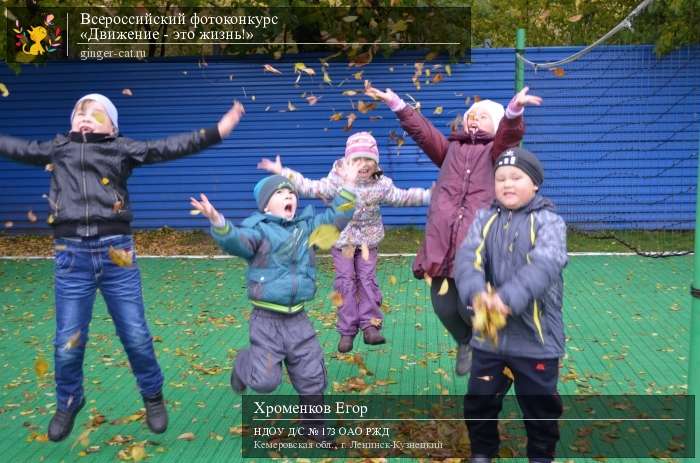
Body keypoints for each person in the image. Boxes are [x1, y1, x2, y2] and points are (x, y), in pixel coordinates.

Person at [0, 93, 245, 441]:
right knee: (66, 342)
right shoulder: (58, 149)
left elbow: (168, 147)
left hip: (117, 253)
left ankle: (153, 395)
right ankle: (69, 399)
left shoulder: (120, 149)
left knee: (136, 335)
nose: (85, 117)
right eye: (79, 113)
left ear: (113, 126)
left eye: (95, 113)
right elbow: (18, 148)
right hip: (71, 257)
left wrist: (217, 131)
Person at [366, 84, 542, 375]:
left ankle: (490, 350)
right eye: (471, 114)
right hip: (442, 242)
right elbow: (422, 132)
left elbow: (509, 136)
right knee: (443, 306)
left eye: (483, 116)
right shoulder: (449, 149)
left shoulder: (495, 153)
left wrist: (513, 111)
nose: (474, 118)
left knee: (469, 305)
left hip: (475, 246)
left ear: (495, 125)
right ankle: (467, 342)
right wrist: (397, 103)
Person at [190, 166, 358, 433]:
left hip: (298, 319)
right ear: (266, 207)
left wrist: (348, 185)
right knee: (265, 382)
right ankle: (244, 364)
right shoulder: (259, 231)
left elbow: (337, 217)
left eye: (290, 192)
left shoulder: (308, 228)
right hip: (266, 322)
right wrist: (219, 222)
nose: (288, 195)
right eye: (280, 193)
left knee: (312, 375)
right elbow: (237, 241)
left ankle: (313, 425)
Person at [258, 131, 431, 353]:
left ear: (375, 162)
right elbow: (312, 187)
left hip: (368, 242)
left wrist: (428, 195)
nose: (363, 164)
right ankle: (347, 330)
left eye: (368, 159)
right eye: (357, 159)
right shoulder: (337, 180)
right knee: (345, 281)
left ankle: (370, 326)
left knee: (367, 280)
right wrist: (284, 173)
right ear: (348, 161)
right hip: (342, 242)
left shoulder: (381, 184)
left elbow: (403, 197)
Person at [454, 147, 567, 463]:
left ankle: (541, 455)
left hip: (536, 339)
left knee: (540, 406)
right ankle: (483, 452)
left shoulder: (550, 223)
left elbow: (545, 265)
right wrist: (476, 293)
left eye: (516, 177)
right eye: (500, 178)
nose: (507, 184)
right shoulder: (484, 218)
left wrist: (506, 299)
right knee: (479, 400)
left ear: (534, 184)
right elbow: (467, 258)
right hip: (491, 337)